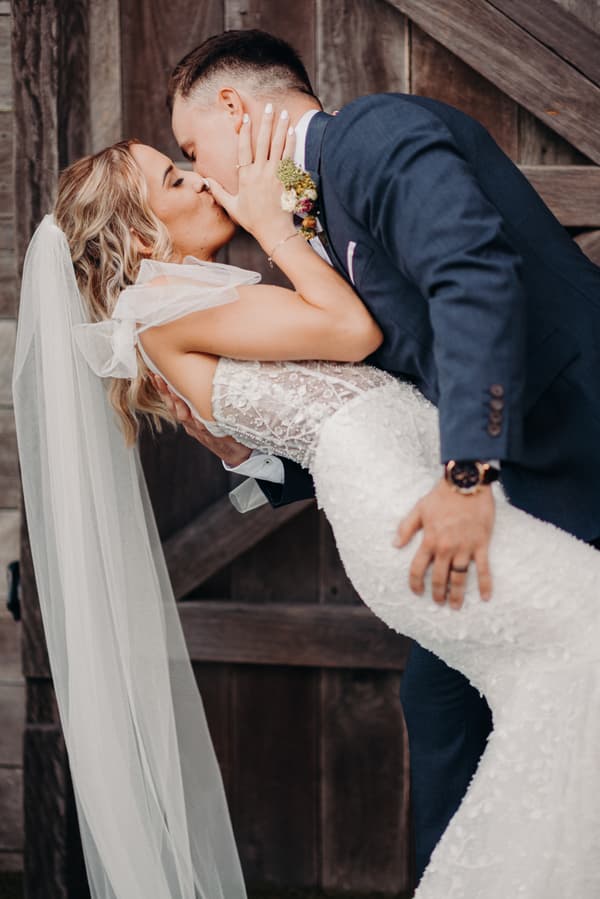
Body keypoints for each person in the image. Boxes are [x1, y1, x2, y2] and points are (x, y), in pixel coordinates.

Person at [14, 102, 600, 898]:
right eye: (174, 175)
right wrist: (279, 225)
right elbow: (352, 334)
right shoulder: (166, 310)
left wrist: (244, 449)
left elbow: (321, 394)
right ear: (144, 235)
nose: (198, 178)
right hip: (396, 500)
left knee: (556, 668)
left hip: (414, 480)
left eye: (185, 159)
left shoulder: (182, 302)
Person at [162, 29, 600, 880]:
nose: (200, 168)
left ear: (231, 106)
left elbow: (473, 275)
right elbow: (376, 384)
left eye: (190, 149)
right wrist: (243, 460)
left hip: (574, 442)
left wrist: (467, 471)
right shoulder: (306, 203)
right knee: (440, 701)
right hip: (517, 475)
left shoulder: (375, 135)